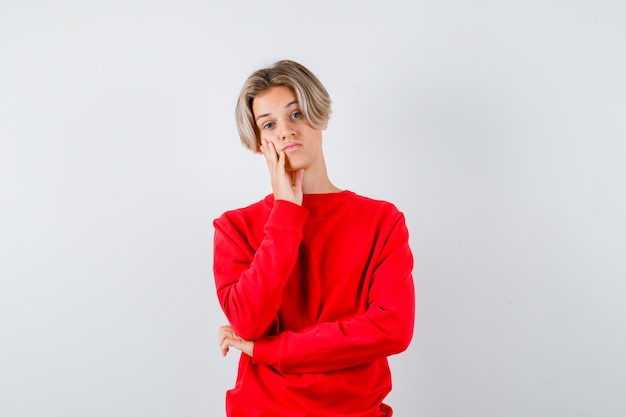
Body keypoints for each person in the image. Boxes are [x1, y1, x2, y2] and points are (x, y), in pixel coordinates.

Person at [213, 59, 415, 417]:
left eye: (295, 115)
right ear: (260, 143)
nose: (286, 132)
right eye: (270, 124)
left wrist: (268, 350)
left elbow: (393, 329)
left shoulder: (381, 220)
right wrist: (286, 214)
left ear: (318, 117)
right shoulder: (235, 227)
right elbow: (248, 323)